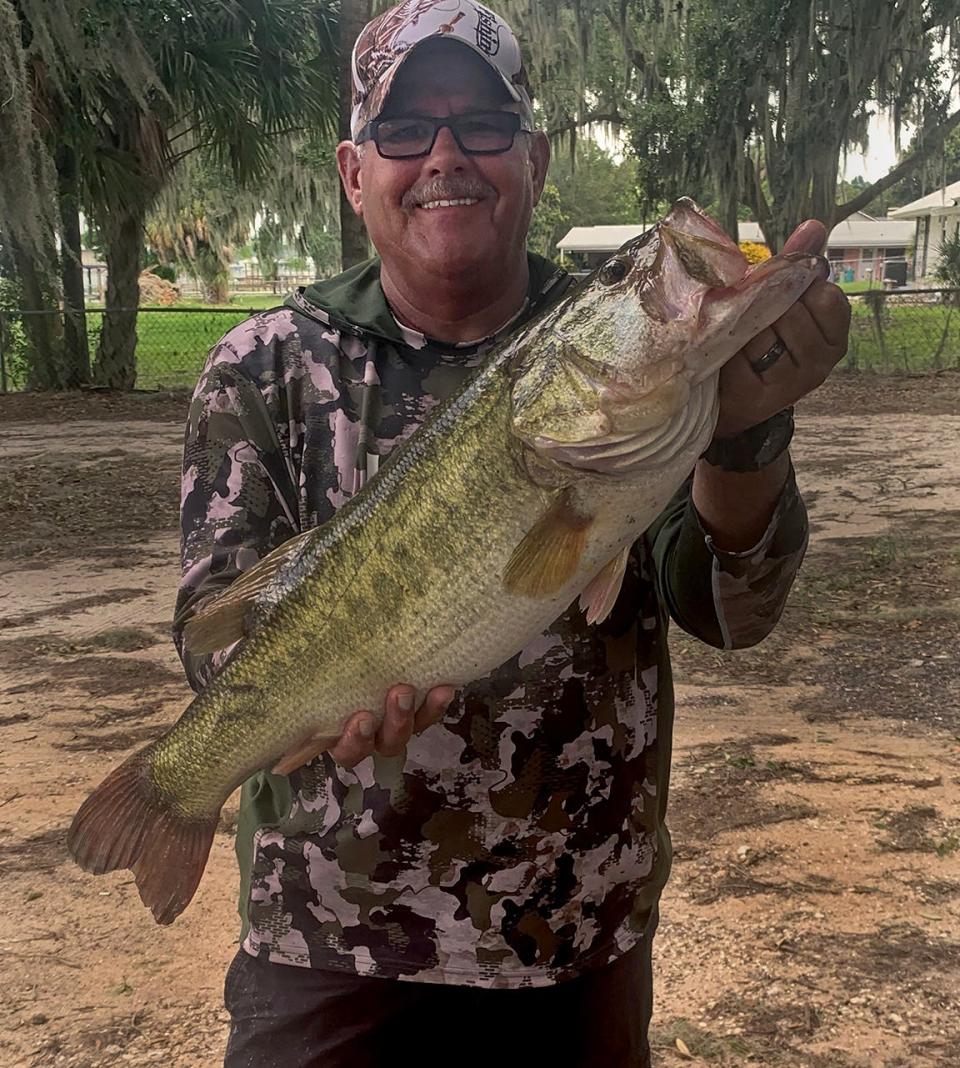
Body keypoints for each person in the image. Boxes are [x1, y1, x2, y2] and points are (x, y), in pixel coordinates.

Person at [173, 2, 851, 1065]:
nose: (446, 155)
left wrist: (746, 433)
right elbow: (211, 639)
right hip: (328, 944)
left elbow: (733, 608)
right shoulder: (262, 369)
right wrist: (246, 737)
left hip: (577, 939)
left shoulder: (644, 391)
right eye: (406, 132)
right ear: (355, 174)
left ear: (533, 160)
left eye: (482, 123)